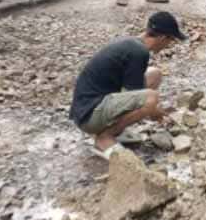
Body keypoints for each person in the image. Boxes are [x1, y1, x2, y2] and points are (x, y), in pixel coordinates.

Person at [69, 11, 187, 159]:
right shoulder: (139, 52)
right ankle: (104, 137)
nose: (169, 45)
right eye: (171, 40)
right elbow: (139, 98)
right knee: (151, 98)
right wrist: (158, 114)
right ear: (163, 38)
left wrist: (155, 112)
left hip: (88, 106)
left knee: (154, 75)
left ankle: (113, 128)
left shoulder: (133, 44)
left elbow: (132, 91)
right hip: (89, 115)